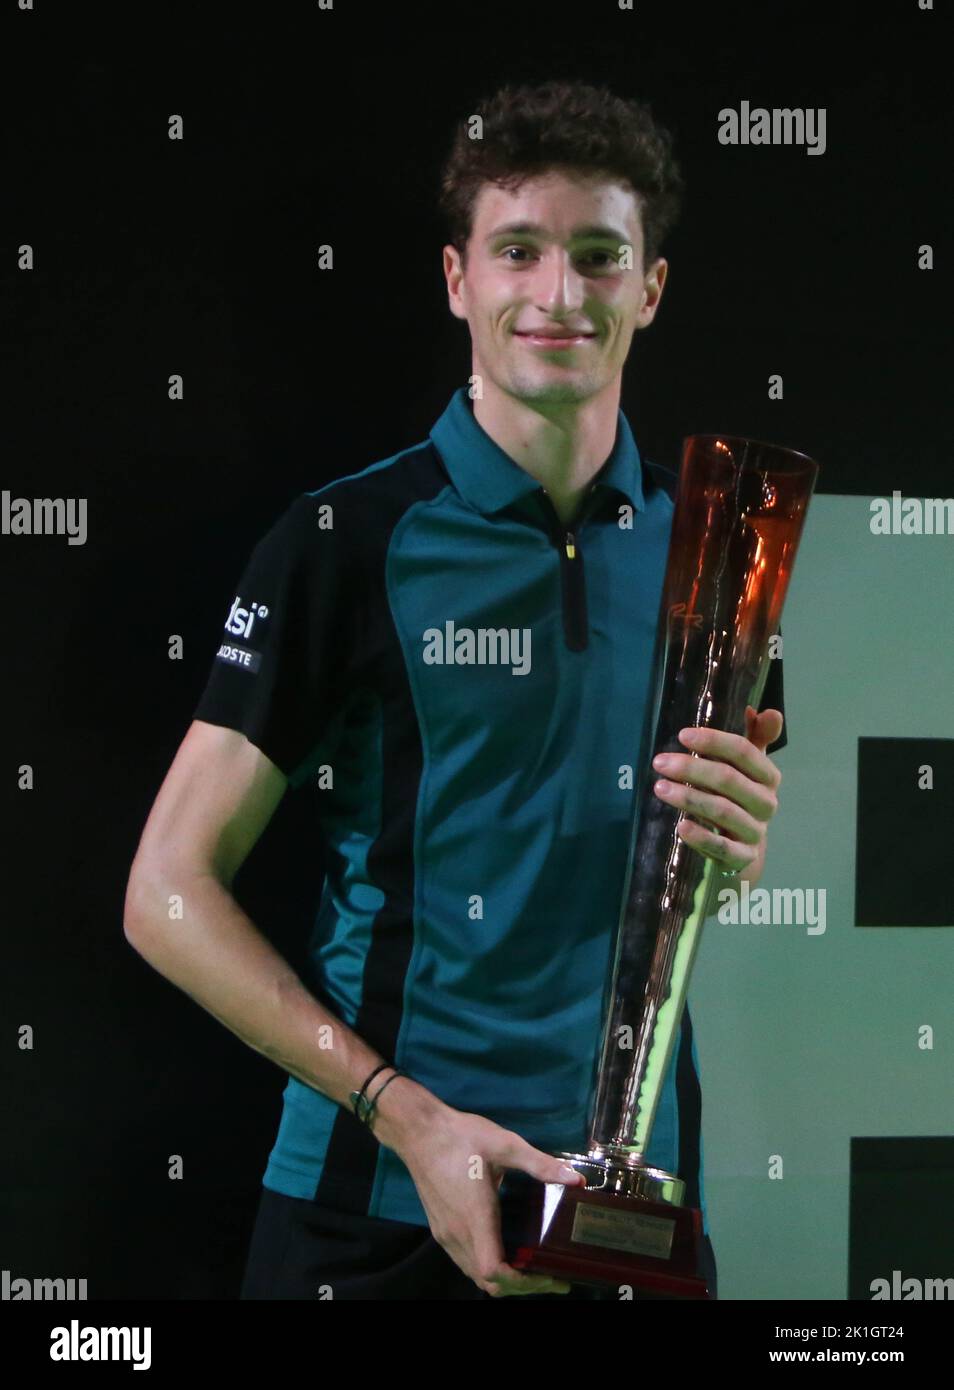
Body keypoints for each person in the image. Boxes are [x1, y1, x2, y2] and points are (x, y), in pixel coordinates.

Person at [123, 78, 787, 1301]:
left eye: (599, 257)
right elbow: (164, 890)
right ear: (456, 279)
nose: (556, 294)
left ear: (650, 288)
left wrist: (733, 854)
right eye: (517, 250)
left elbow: (694, 870)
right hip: (373, 1209)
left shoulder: (721, 556)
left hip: (628, 1209)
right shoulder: (347, 538)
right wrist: (406, 1118)